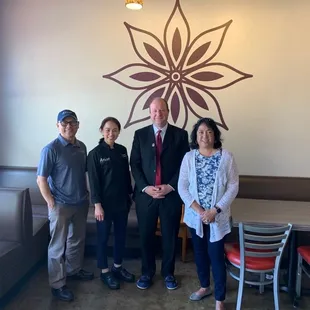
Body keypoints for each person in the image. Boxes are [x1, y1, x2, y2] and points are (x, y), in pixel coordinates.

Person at [177, 117, 239, 310]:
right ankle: (205, 286)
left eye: (209, 131)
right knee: (200, 254)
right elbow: (182, 187)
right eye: (201, 132)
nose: (205, 135)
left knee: (216, 257)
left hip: (217, 218)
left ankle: (220, 299)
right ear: (196, 136)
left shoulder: (226, 157)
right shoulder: (189, 157)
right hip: (196, 217)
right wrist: (199, 210)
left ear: (215, 135)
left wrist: (215, 210)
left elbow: (233, 186)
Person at [130, 97, 189, 290]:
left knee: (170, 236)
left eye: (161, 110)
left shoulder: (180, 135)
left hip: (170, 196)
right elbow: (135, 165)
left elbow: (185, 166)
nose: (158, 114)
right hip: (146, 196)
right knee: (146, 236)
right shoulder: (140, 135)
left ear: (168, 112)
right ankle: (147, 273)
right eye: (154, 111)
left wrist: (170, 186)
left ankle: (168, 273)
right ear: (150, 113)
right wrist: (146, 188)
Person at [37, 109, 94, 302]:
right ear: (58, 126)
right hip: (60, 205)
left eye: (72, 122)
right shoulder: (50, 149)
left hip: (80, 203)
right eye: (64, 123)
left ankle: (74, 270)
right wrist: (50, 202)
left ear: (78, 125)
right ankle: (58, 284)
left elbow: (85, 174)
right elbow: (41, 179)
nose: (69, 126)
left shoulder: (82, 147)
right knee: (57, 246)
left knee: (76, 240)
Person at [87, 117, 135, 290]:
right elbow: (93, 181)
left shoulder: (122, 150)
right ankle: (105, 271)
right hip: (104, 206)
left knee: (121, 237)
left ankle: (117, 267)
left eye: (115, 130)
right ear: (101, 130)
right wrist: (97, 205)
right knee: (103, 238)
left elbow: (125, 176)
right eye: (107, 129)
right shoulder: (94, 154)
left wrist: (130, 196)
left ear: (119, 132)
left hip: (122, 203)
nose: (111, 133)